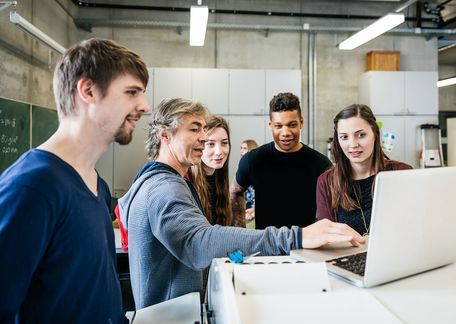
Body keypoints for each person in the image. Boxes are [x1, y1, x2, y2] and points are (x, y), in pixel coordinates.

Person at [118, 98, 363, 309]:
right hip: (171, 316)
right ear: (165, 136)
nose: (204, 138)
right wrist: (295, 237)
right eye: (194, 129)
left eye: (204, 130)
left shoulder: (162, 181)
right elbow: (199, 243)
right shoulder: (164, 187)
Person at [0, 38, 149, 323]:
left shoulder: (97, 185)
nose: (144, 105)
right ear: (88, 90)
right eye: (132, 92)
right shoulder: (33, 187)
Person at [230, 92, 332, 229]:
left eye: (292, 125)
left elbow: (334, 204)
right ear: (270, 124)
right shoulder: (253, 160)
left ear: (301, 122)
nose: (285, 133)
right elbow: (235, 191)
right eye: (278, 126)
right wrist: (240, 230)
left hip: (307, 247)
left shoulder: (321, 164)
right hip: (266, 246)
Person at [316, 104, 412, 236]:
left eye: (361, 135)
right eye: (344, 137)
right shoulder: (326, 182)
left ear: (375, 134)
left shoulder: (402, 173)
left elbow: (415, 227)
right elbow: (326, 237)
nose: (353, 144)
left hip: (394, 255)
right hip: (346, 256)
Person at [189, 116, 243, 226]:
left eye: (224, 143)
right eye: (210, 144)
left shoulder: (220, 179)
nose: (219, 152)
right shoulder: (187, 183)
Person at [239, 139, 258, 224]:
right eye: (241, 148)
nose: (241, 151)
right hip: (247, 212)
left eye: (244, 148)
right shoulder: (243, 170)